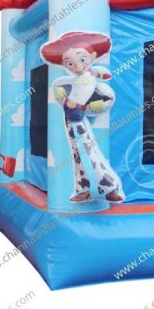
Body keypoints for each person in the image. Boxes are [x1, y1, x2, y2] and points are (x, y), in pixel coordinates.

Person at [40, 31, 125, 203]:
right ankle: (84, 188)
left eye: (82, 59)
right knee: (78, 153)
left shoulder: (91, 75)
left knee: (89, 152)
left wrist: (86, 106)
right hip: (71, 119)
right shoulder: (70, 82)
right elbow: (63, 92)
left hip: (79, 118)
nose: (77, 66)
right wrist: (66, 101)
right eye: (70, 63)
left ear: (92, 56)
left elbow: (102, 83)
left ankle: (108, 187)